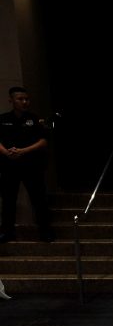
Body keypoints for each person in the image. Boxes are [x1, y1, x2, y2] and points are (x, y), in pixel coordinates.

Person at [0, 87, 52, 242]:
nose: (24, 102)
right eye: (20, 99)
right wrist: (6, 152)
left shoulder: (34, 119)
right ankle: (7, 232)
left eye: (26, 99)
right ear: (11, 100)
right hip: (9, 165)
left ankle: (45, 232)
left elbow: (43, 142)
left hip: (31, 165)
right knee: (8, 201)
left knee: (39, 200)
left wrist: (23, 151)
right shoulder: (2, 119)